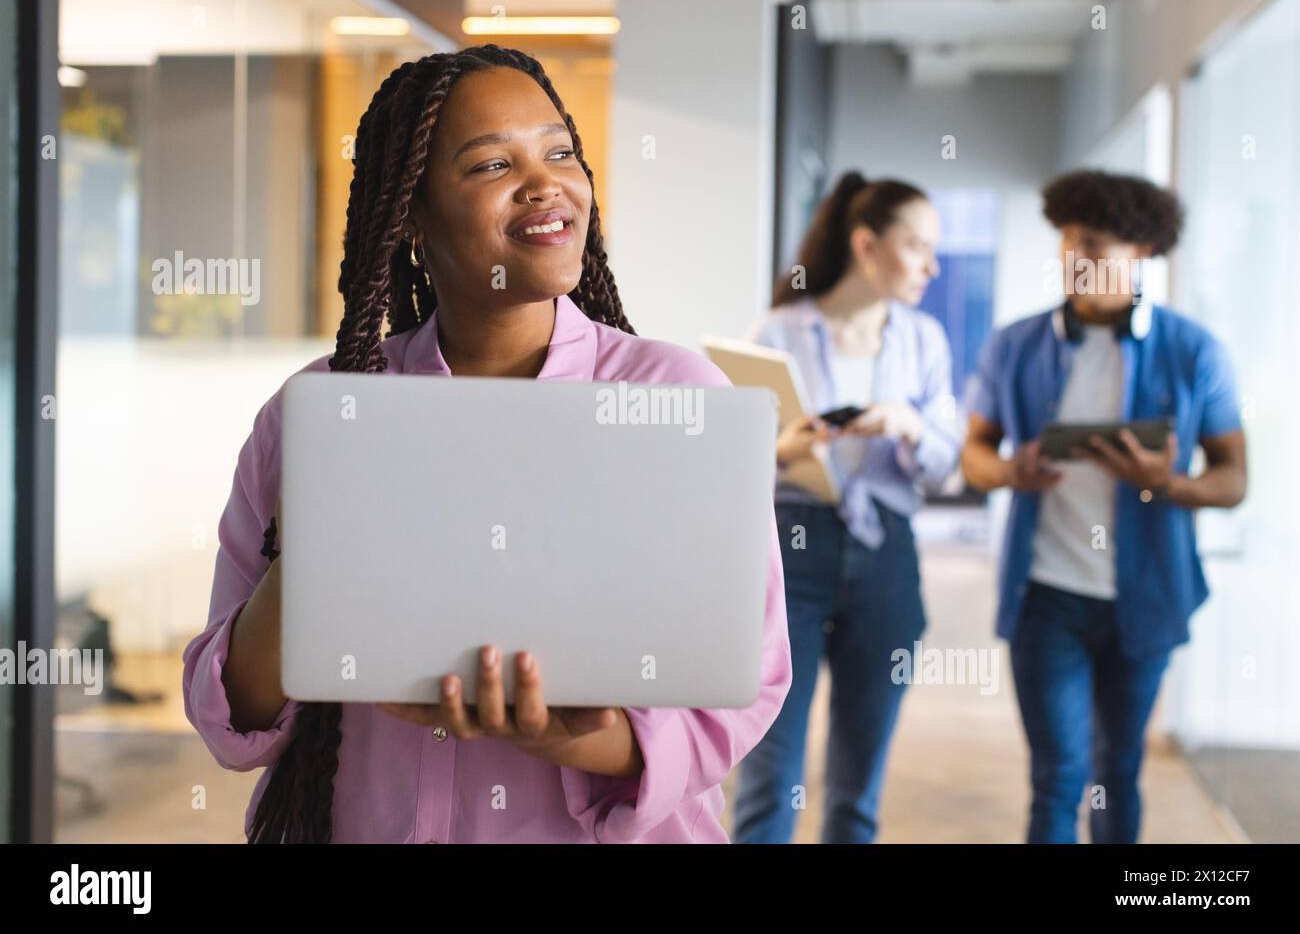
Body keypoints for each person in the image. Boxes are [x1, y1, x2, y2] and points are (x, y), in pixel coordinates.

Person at [181, 45, 792, 843]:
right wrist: (316, 560)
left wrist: (570, 736)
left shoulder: (673, 398)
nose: (547, 182)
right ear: (411, 213)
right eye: (492, 163)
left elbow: (741, 683)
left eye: (560, 150)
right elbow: (232, 709)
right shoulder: (321, 413)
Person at [961, 169, 1248, 844]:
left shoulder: (1193, 350)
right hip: (1047, 596)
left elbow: (1234, 477)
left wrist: (1166, 480)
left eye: (1094, 244)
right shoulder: (1016, 344)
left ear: (1142, 250)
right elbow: (974, 452)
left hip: (1144, 597)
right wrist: (1009, 471)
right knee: (1058, 772)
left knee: (1116, 770)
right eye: (1066, 242)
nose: (1074, 258)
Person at [733, 172, 962, 843]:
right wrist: (782, 448)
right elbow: (732, 458)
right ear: (867, 245)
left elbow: (948, 466)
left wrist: (911, 425)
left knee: (858, 786)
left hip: (887, 552)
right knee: (771, 777)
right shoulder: (777, 331)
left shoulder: (925, 341)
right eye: (916, 246)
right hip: (790, 548)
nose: (931, 264)